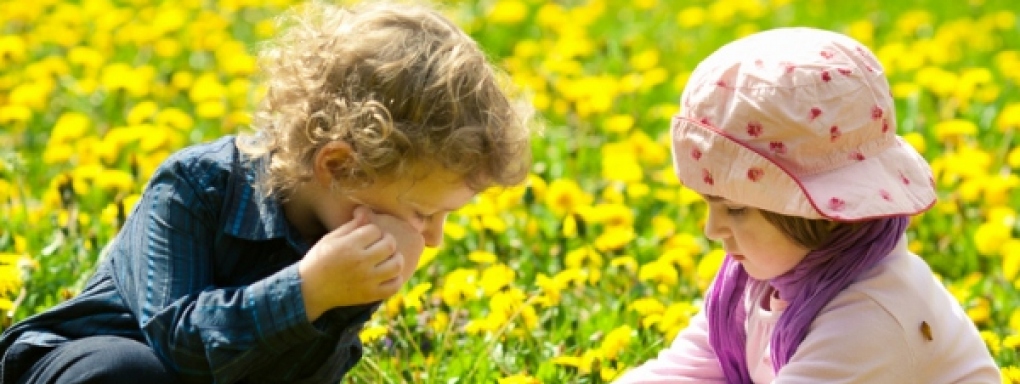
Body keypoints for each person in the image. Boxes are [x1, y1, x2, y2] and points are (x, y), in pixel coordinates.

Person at [0, 1, 533, 383]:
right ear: (340, 165)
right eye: (423, 213)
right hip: (89, 364)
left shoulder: (352, 246)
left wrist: (345, 302)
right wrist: (307, 290)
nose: (434, 239)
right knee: (128, 372)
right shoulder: (196, 185)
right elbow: (178, 343)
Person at [614, 27, 1000, 383]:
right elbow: (681, 372)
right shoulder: (758, 281)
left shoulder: (869, 317)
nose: (711, 230)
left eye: (735, 209)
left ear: (819, 215)